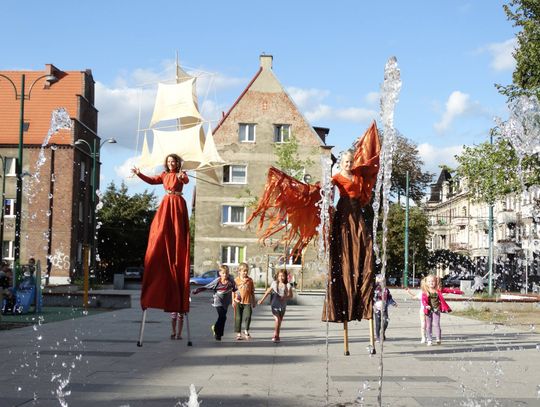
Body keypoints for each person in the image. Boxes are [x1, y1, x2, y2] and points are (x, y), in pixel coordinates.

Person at [322, 137, 379, 324]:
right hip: (345, 210)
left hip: (357, 210)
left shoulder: (357, 175)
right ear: (341, 163)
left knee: (365, 240)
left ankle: (363, 275)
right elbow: (326, 188)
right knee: (347, 241)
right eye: (345, 162)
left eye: (350, 161)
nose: (348, 164)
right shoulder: (337, 177)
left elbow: (367, 183)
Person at [131, 154, 191, 316]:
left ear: (178, 163)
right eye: (169, 161)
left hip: (177, 204)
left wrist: (182, 177)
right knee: (159, 230)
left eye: (174, 161)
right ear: (167, 163)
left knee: (177, 231)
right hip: (167, 204)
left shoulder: (181, 174)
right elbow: (152, 180)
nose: (171, 163)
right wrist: (138, 173)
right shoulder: (164, 175)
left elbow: (186, 181)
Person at [192, 265, 237, 341]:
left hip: (226, 302)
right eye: (223, 273)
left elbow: (235, 289)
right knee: (223, 316)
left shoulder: (231, 281)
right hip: (218, 301)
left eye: (226, 273)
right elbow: (207, 286)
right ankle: (218, 334)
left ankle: (215, 328)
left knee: (222, 318)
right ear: (220, 273)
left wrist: (237, 297)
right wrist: (197, 290)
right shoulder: (217, 281)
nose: (225, 275)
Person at [421, 274, 463, 346]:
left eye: (433, 281)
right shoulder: (425, 292)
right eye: (429, 281)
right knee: (428, 325)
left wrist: (460, 292)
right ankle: (429, 339)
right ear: (426, 283)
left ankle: (438, 338)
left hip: (436, 310)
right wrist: (426, 305)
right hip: (428, 311)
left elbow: (449, 290)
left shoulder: (438, 290)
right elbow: (423, 300)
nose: (431, 283)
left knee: (436, 324)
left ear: (436, 282)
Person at [258, 269, 292, 343]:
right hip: (274, 304)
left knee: (279, 322)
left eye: (283, 276)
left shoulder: (288, 285)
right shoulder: (274, 283)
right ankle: (275, 336)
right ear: (277, 276)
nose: (281, 277)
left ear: (286, 276)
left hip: (283, 305)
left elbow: (291, 295)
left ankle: (277, 335)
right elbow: (268, 291)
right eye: (279, 276)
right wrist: (262, 300)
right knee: (277, 319)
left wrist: (285, 297)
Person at [233, 262, 256, 340]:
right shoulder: (236, 280)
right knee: (238, 318)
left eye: (246, 271)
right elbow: (233, 291)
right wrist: (233, 300)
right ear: (239, 271)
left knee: (248, 316)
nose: (245, 272)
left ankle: (246, 330)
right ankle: (238, 333)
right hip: (238, 301)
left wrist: (254, 301)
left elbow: (252, 291)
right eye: (244, 271)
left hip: (247, 302)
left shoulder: (250, 280)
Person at [373, 274, 397, 342]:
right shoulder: (375, 289)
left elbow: (389, 297)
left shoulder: (386, 290)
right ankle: (377, 336)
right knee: (378, 323)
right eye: (381, 282)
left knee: (386, 321)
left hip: (384, 308)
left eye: (384, 281)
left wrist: (393, 303)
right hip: (377, 308)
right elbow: (373, 296)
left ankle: (382, 332)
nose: (382, 283)